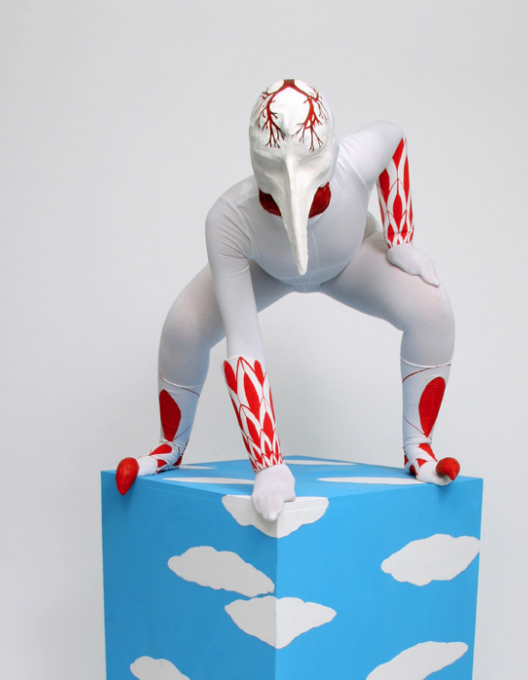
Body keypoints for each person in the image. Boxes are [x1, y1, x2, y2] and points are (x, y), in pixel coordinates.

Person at [116, 79, 459, 521]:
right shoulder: (230, 219)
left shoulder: (355, 160)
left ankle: (419, 447)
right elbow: (244, 342)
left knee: (431, 306)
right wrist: (268, 464)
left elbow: (393, 138)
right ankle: (169, 447)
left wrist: (400, 238)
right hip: (267, 266)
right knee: (184, 326)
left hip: (352, 255)